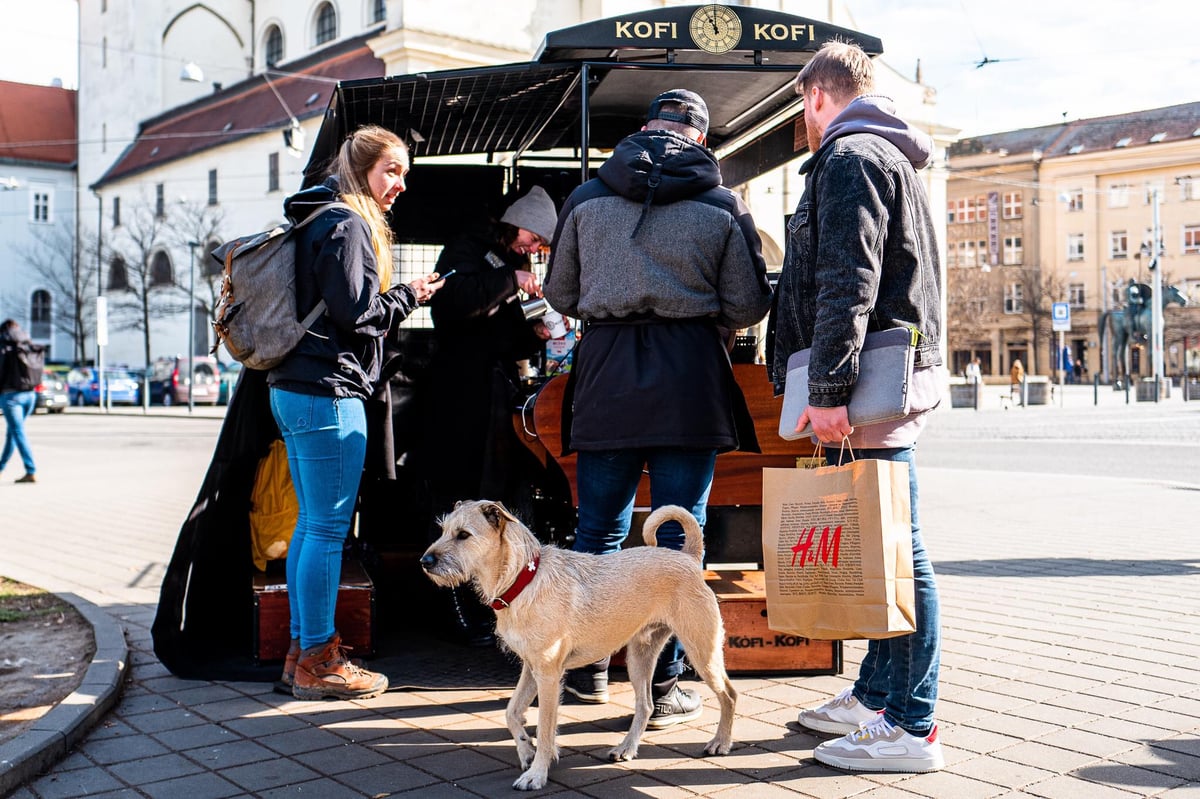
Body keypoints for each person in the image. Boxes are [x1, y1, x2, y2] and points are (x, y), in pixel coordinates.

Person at [544, 89, 772, 727]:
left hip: (608, 375)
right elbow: (749, 303)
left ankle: (586, 669)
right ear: (700, 137)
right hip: (689, 378)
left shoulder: (589, 198)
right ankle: (668, 682)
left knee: (599, 530)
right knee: (676, 535)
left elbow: (562, 290)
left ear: (646, 129)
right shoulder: (722, 204)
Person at [766, 41, 946, 772]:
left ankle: (913, 724)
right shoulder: (880, 154)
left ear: (816, 96)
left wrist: (830, 391)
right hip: (878, 379)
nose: (802, 122)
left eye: (800, 109)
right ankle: (877, 696)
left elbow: (849, 280)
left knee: (900, 552)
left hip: (868, 386)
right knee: (883, 543)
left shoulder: (852, 158)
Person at [267, 124, 442, 700]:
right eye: (392, 170)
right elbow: (357, 314)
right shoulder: (346, 224)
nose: (400, 184)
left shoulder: (316, 217)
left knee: (311, 526)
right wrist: (410, 295)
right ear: (363, 169)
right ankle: (319, 660)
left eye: (406, 174)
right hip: (327, 390)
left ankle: (301, 653)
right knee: (324, 529)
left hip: (297, 385)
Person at [421, 185, 559, 645]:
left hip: (491, 392)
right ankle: (449, 602)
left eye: (539, 246)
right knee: (454, 493)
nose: (533, 249)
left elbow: (500, 334)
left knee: (486, 492)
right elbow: (454, 304)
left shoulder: (512, 264)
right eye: (533, 238)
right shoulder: (466, 249)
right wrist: (511, 282)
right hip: (456, 392)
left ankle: (481, 598)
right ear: (513, 222)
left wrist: (535, 334)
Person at [0, 319, 40, 484]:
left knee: (17, 433)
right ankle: (1, 467)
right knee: (12, 433)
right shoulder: (27, 342)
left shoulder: (4, 344)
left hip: (11, 397)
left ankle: (31, 470)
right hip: (30, 395)